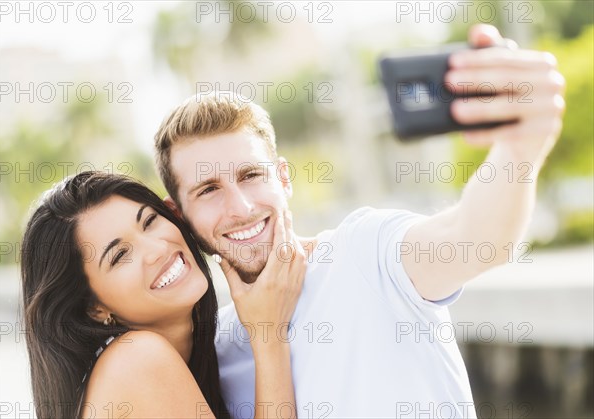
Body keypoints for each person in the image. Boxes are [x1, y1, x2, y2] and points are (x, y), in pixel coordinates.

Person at [153, 24, 565, 418]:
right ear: (178, 213)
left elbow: (476, 241)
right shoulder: (212, 351)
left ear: (283, 178)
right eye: (208, 190)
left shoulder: (366, 252)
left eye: (251, 175)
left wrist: (519, 151)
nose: (240, 207)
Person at [20, 171, 306, 419]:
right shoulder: (137, 359)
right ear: (94, 308)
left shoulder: (185, 361)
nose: (157, 249)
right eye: (120, 255)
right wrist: (268, 335)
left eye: (149, 221)